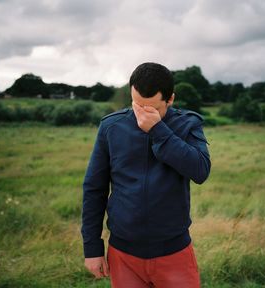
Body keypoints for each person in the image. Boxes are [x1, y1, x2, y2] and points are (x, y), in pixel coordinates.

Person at [81, 62, 211, 288]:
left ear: (170, 99)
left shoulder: (188, 123)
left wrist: (159, 130)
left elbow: (200, 171)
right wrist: (92, 249)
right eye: (137, 106)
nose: (141, 114)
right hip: (123, 254)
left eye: (151, 109)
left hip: (174, 252)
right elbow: (95, 189)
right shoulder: (111, 127)